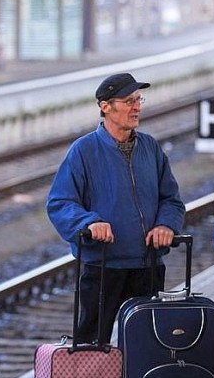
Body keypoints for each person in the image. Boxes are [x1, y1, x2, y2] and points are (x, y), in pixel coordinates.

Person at [47, 72, 185, 345]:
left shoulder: (151, 148)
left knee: (145, 346)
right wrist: (88, 223)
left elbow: (172, 199)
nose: (137, 107)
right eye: (128, 101)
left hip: (147, 265)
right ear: (105, 106)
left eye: (138, 99)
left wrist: (166, 224)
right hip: (102, 267)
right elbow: (59, 203)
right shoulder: (83, 151)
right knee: (92, 346)